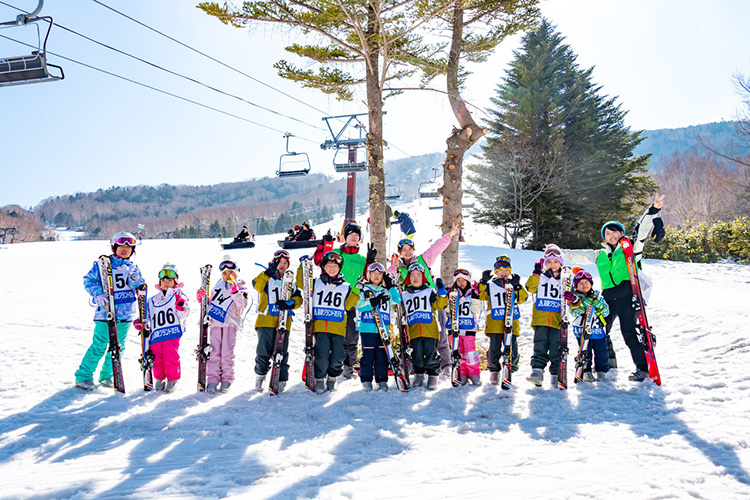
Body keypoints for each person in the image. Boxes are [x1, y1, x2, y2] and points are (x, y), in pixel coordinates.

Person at [564, 194, 665, 382]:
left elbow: (642, 231)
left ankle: (642, 368)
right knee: (599, 329)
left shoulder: (630, 249)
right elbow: (577, 255)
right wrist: (557, 252)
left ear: (620, 234)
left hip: (627, 296)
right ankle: (608, 361)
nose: (611, 236)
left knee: (629, 333)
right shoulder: (600, 255)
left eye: (615, 232)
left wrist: (653, 210)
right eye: (608, 233)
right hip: (607, 298)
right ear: (604, 237)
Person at [76, 232, 146, 390]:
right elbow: (89, 280)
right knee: (99, 345)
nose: (125, 249)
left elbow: (139, 286)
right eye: (121, 246)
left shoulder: (133, 268)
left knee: (118, 347)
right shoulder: (103, 264)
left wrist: (139, 283)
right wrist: (97, 294)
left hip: (126, 314)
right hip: (105, 312)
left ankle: (107, 374)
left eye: (129, 247)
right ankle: (84, 375)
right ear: (114, 247)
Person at [387, 223, 460, 377]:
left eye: (409, 249)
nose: (407, 252)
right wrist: (394, 267)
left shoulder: (422, 260)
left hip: (430, 303)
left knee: (439, 335)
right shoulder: (397, 267)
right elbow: (387, 279)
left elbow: (436, 248)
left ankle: (446, 364)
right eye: (403, 250)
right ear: (399, 252)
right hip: (410, 305)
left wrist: (450, 235)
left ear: (413, 250)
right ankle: (414, 366)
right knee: (410, 338)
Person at [313, 222, 372, 380]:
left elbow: (368, 277)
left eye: (356, 235)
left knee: (351, 336)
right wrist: (324, 245)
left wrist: (370, 262)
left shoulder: (361, 258)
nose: (353, 237)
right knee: (330, 336)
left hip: (351, 301)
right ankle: (325, 367)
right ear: (345, 237)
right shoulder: (336, 253)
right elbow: (319, 261)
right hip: (330, 301)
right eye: (350, 234)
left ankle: (348, 367)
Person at [251, 250, 303, 393]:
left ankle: (281, 379)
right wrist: (268, 272)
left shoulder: (290, 280)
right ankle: (260, 376)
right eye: (279, 262)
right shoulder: (266, 278)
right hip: (266, 320)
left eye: (285, 263)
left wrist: (290, 303)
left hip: (283, 322)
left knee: (281, 351)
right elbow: (257, 286)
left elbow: (299, 299)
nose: (282, 265)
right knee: (263, 350)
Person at [312, 251, 361, 393]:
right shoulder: (316, 283)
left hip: (338, 327)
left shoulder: (345, 286)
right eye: (329, 265)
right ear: (323, 267)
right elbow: (301, 282)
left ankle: (332, 378)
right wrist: (303, 267)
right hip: (321, 326)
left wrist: (357, 290)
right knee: (321, 355)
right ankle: (319, 379)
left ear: (339, 268)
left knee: (339, 355)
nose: (332, 268)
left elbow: (347, 305)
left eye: (335, 266)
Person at [198, 255, 249, 394]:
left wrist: (235, 291)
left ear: (236, 273)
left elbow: (242, 305)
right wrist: (202, 298)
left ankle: (227, 379)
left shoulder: (241, 288)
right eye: (225, 273)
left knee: (227, 353)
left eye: (231, 273)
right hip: (216, 323)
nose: (228, 276)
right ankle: (212, 379)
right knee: (214, 353)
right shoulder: (218, 286)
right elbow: (210, 302)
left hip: (230, 324)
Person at [137, 263, 189, 392]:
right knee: (157, 357)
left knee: (170, 356)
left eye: (169, 280)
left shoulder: (178, 296)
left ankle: (173, 378)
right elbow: (147, 315)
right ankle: (159, 378)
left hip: (171, 332)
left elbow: (184, 314)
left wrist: (180, 306)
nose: (166, 283)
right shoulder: (153, 299)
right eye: (163, 280)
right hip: (156, 334)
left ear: (176, 282)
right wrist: (140, 321)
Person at [478, 255, 529, 385]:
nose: (504, 273)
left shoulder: (513, 285)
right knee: (494, 348)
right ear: (496, 272)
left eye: (506, 271)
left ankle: (510, 368)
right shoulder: (491, 286)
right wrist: (483, 282)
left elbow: (523, 298)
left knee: (512, 347)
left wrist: (517, 286)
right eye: (500, 271)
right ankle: (494, 371)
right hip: (495, 323)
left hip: (511, 323)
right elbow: (481, 296)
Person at [401, 263, 449, 390]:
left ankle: (433, 375)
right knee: (416, 354)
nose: (416, 278)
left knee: (430, 353)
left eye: (418, 275)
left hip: (429, 330)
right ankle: (418, 374)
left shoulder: (429, 292)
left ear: (423, 278)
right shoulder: (405, 294)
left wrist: (442, 294)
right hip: (414, 330)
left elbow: (439, 305)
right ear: (408, 278)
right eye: (413, 276)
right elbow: (398, 307)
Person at [355, 263, 401, 391]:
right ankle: (366, 379)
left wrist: (391, 286)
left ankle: (382, 380)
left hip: (384, 330)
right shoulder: (363, 289)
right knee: (368, 355)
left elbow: (397, 300)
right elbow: (358, 305)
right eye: (373, 273)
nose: (376, 276)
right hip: (368, 327)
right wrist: (373, 302)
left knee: (382, 355)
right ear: (368, 275)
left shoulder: (385, 291)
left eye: (379, 274)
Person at [524, 246, 565, 387]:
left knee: (556, 347)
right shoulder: (540, 277)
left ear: (561, 263)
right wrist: (535, 273)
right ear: (544, 263)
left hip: (556, 321)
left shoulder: (565, 278)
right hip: (541, 319)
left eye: (555, 261)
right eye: (549, 261)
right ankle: (537, 372)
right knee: (540, 346)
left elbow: (571, 297)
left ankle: (555, 373)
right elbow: (530, 288)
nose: (552, 265)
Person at [564, 269, 611, 381]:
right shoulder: (575, 299)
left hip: (597, 330)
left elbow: (606, 312)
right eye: (580, 283)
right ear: (576, 286)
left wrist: (598, 305)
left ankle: (601, 371)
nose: (584, 285)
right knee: (586, 351)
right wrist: (582, 304)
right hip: (582, 330)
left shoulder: (597, 296)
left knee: (601, 352)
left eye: (586, 282)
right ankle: (586, 371)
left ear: (591, 284)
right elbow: (573, 313)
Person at [447, 269, 483, 385]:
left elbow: (476, 310)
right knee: (458, 352)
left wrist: (475, 298)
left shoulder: (472, 293)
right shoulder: (452, 293)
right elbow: (447, 310)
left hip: (468, 329)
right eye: (458, 280)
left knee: (470, 353)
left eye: (464, 280)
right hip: (454, 329)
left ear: (468, 281)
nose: (461, 282)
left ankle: (474, 373)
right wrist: (447, 298)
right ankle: (461, 373)